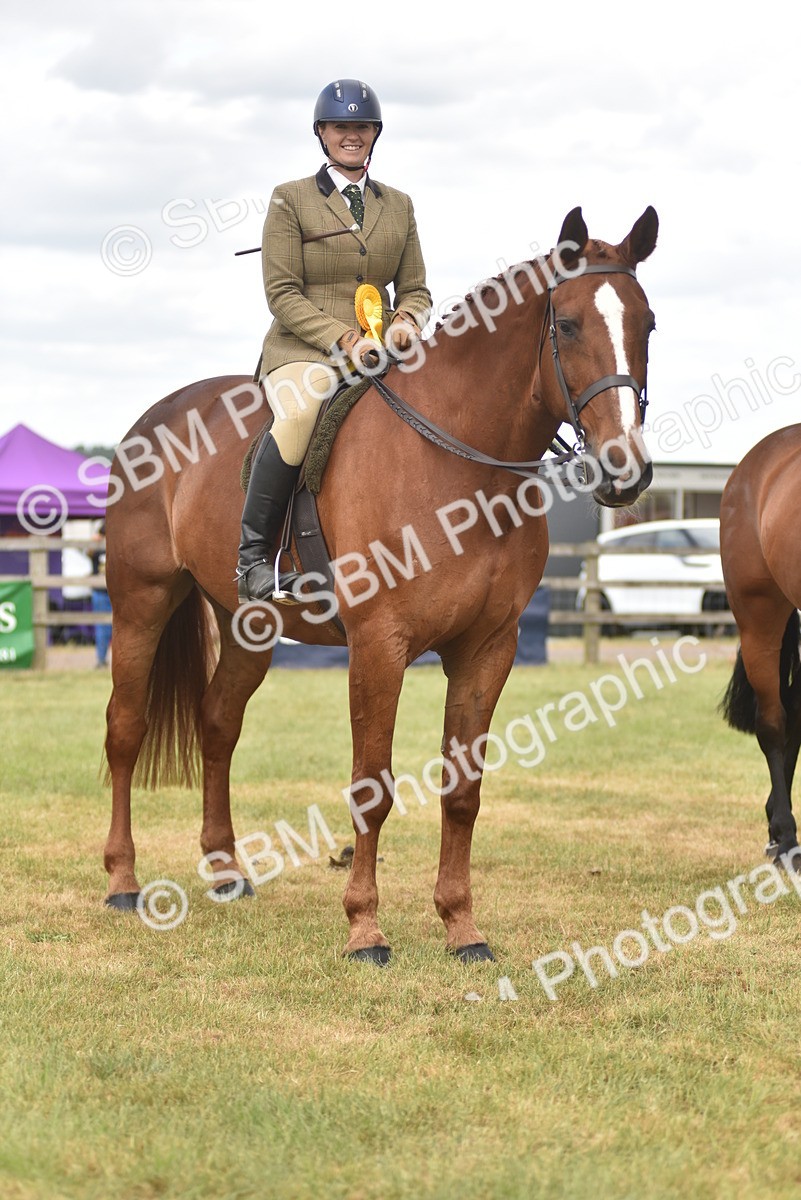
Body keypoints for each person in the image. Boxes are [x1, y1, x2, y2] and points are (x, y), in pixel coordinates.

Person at [236, 78, 432, 605]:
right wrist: (344, 338)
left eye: (362, 126)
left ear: (375, 134)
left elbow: (415, 288)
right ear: (322, 133)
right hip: (305, 349)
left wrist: (406, 321)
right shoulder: (290, 199)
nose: (352, 135)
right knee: (300, 415)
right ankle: (253, 560)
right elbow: (281, 293)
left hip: (382, 350)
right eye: (341, 126)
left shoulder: (400, 205)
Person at [90, 519, 111, 667]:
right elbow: (87, 552)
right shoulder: (96, 546)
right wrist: (93, 542)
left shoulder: (119, 544)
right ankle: (101, 659)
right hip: (100, 591)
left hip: (116, 592)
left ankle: (106, 660)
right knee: (102, 627)